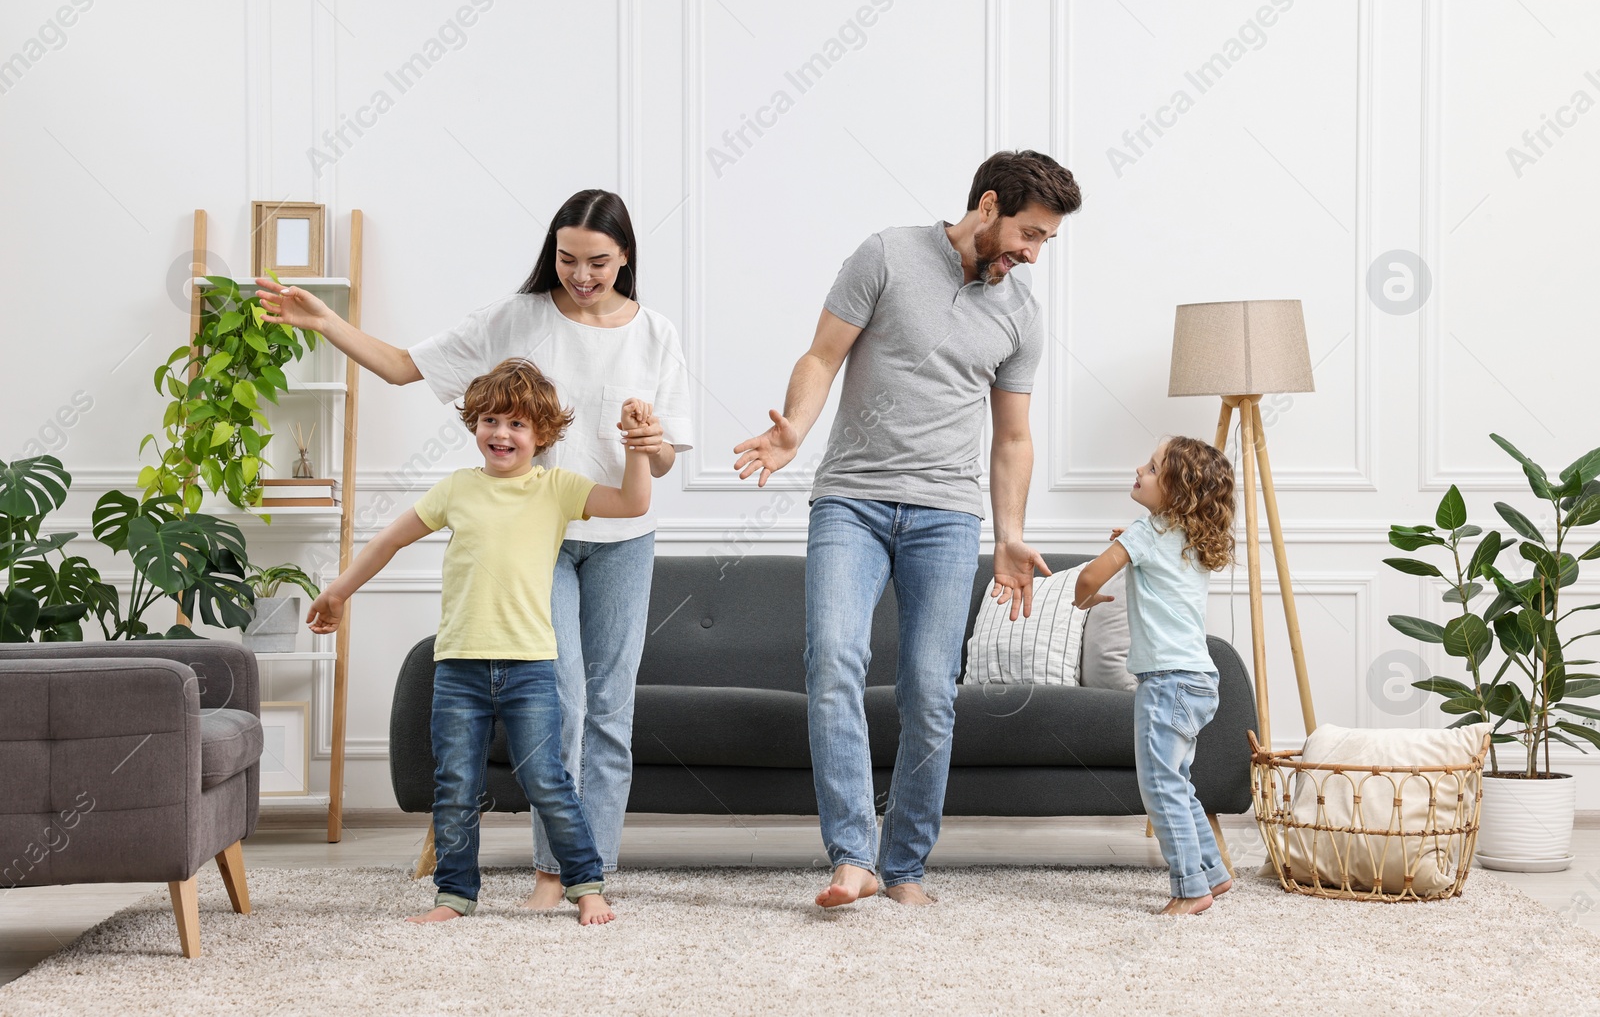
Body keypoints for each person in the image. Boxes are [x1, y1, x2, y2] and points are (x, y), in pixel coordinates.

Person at [258, 189, 692, 909]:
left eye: (598, 263)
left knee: (612, 709)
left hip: (621, 536)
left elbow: (662, 464)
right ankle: (552, 873)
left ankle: (591, 871)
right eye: (566, 258)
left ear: (626, 258)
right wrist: (326, 320)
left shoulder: (657, 335)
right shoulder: (515, 318)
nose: (580, 275)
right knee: (566, 699)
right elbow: (402, 366)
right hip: (540, 537)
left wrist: (648, 444)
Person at [732, 151, 1082, 907]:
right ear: (987, 205)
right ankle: (852, 853)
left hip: (948, 516)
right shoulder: (887, 254)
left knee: (930, 688)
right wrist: (794, 426)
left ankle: (907, 864)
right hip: (851, 500)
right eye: (1029, 232)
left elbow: (1012, 437)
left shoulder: (1021, 312)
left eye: (1046, 240)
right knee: (833, 660)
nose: (1032, 252)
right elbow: (822, 356)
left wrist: (1011, 532)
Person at [305, 358, 652, 926]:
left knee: (547, 781)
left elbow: (633, 504)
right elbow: (388, 541)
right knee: (456, 785)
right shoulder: (455, 490)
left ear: (542, 435)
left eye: (517, 424)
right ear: (474, 425)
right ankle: (454, 896)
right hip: (459, 668)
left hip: (531, 667)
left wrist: (637, 446)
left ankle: (586, 884)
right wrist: (339, 592)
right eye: (490, 419)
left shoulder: (558, 489)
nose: (501, 433)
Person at [1073, 436, 1236, 915]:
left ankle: (1191, 889)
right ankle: (1213, 872)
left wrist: (1085, 599)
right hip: (1200, 680)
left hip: (1166, 683)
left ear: (1176, 490)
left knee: (1160, 785)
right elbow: (1160, 560)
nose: (1138, 470)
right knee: (1177, 780)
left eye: (1151, 466)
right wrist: (1135, 540)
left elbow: (1087, 578)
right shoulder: (1189, 539)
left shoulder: (1145, 535)